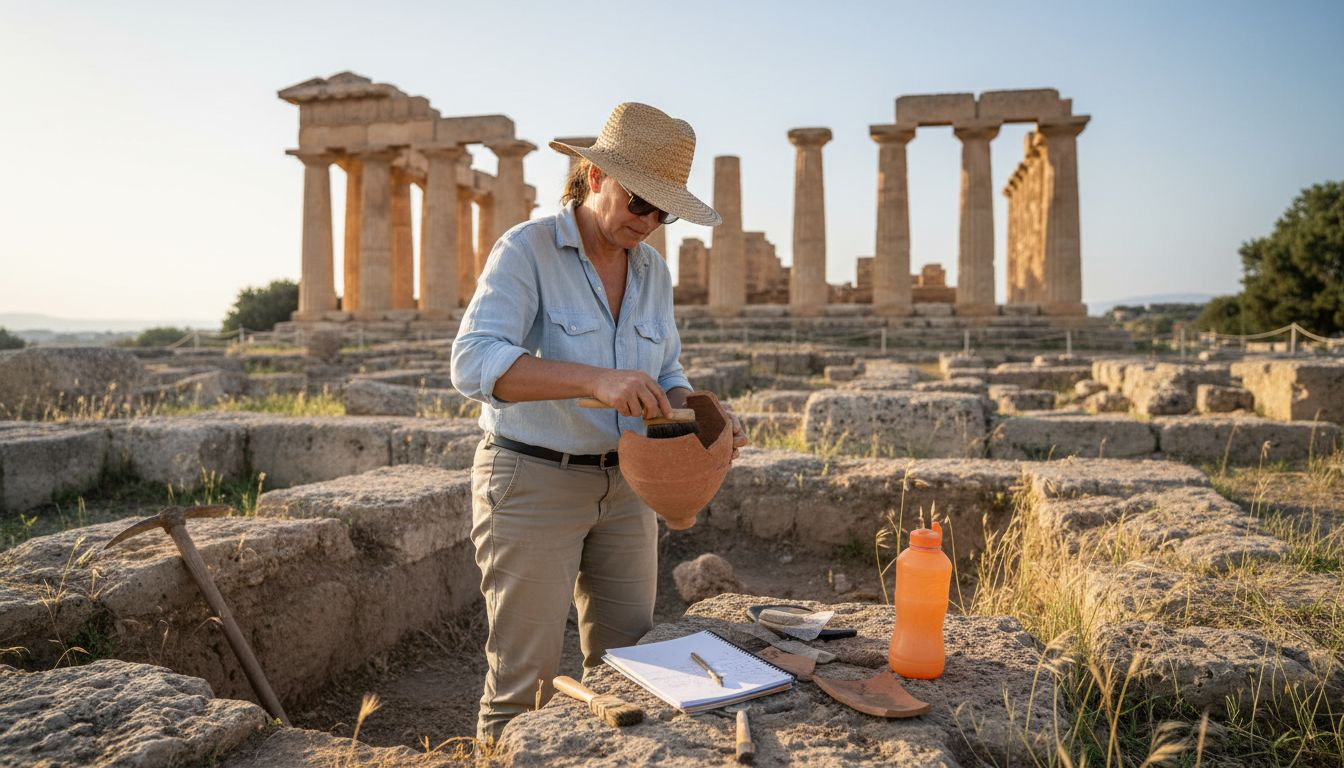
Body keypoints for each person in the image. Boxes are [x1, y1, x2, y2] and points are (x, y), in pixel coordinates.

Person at [450, 102, 747, 744]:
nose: (648, 222)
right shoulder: (526, 250)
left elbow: (666, 370)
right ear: (591, 176)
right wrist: (594, 379)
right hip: (532, 482)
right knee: (522, 686)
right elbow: (472, 361)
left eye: (662, 212)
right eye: (639, 202)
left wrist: (703, 418)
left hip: (629, 487)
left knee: (632, 670)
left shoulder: (653, 271)